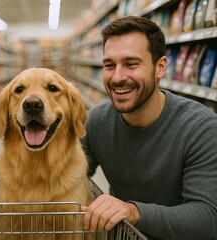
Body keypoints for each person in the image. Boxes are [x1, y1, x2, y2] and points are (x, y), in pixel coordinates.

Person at [81, 16, 217, 240]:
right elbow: (67, 172)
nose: (117, 77)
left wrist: (133, 211)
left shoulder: (200, 128)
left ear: (160, 67)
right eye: (109, 65)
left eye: (131, 64)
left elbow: (207, 216)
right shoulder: (97, 121)